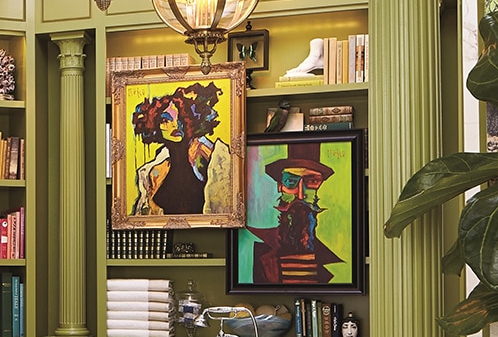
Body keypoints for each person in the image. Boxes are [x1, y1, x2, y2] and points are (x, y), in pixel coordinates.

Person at [130, 81, 232, 216]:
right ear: (154, 125)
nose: (175, 125)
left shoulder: (209, 158)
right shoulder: (154, 170)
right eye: (166, 120)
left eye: (181, 118)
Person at [248, 141, 343, 286]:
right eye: (291, 181)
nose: (300, 194)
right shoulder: (260, 249)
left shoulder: (336, 252)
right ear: (280, 186)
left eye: (312, 181)